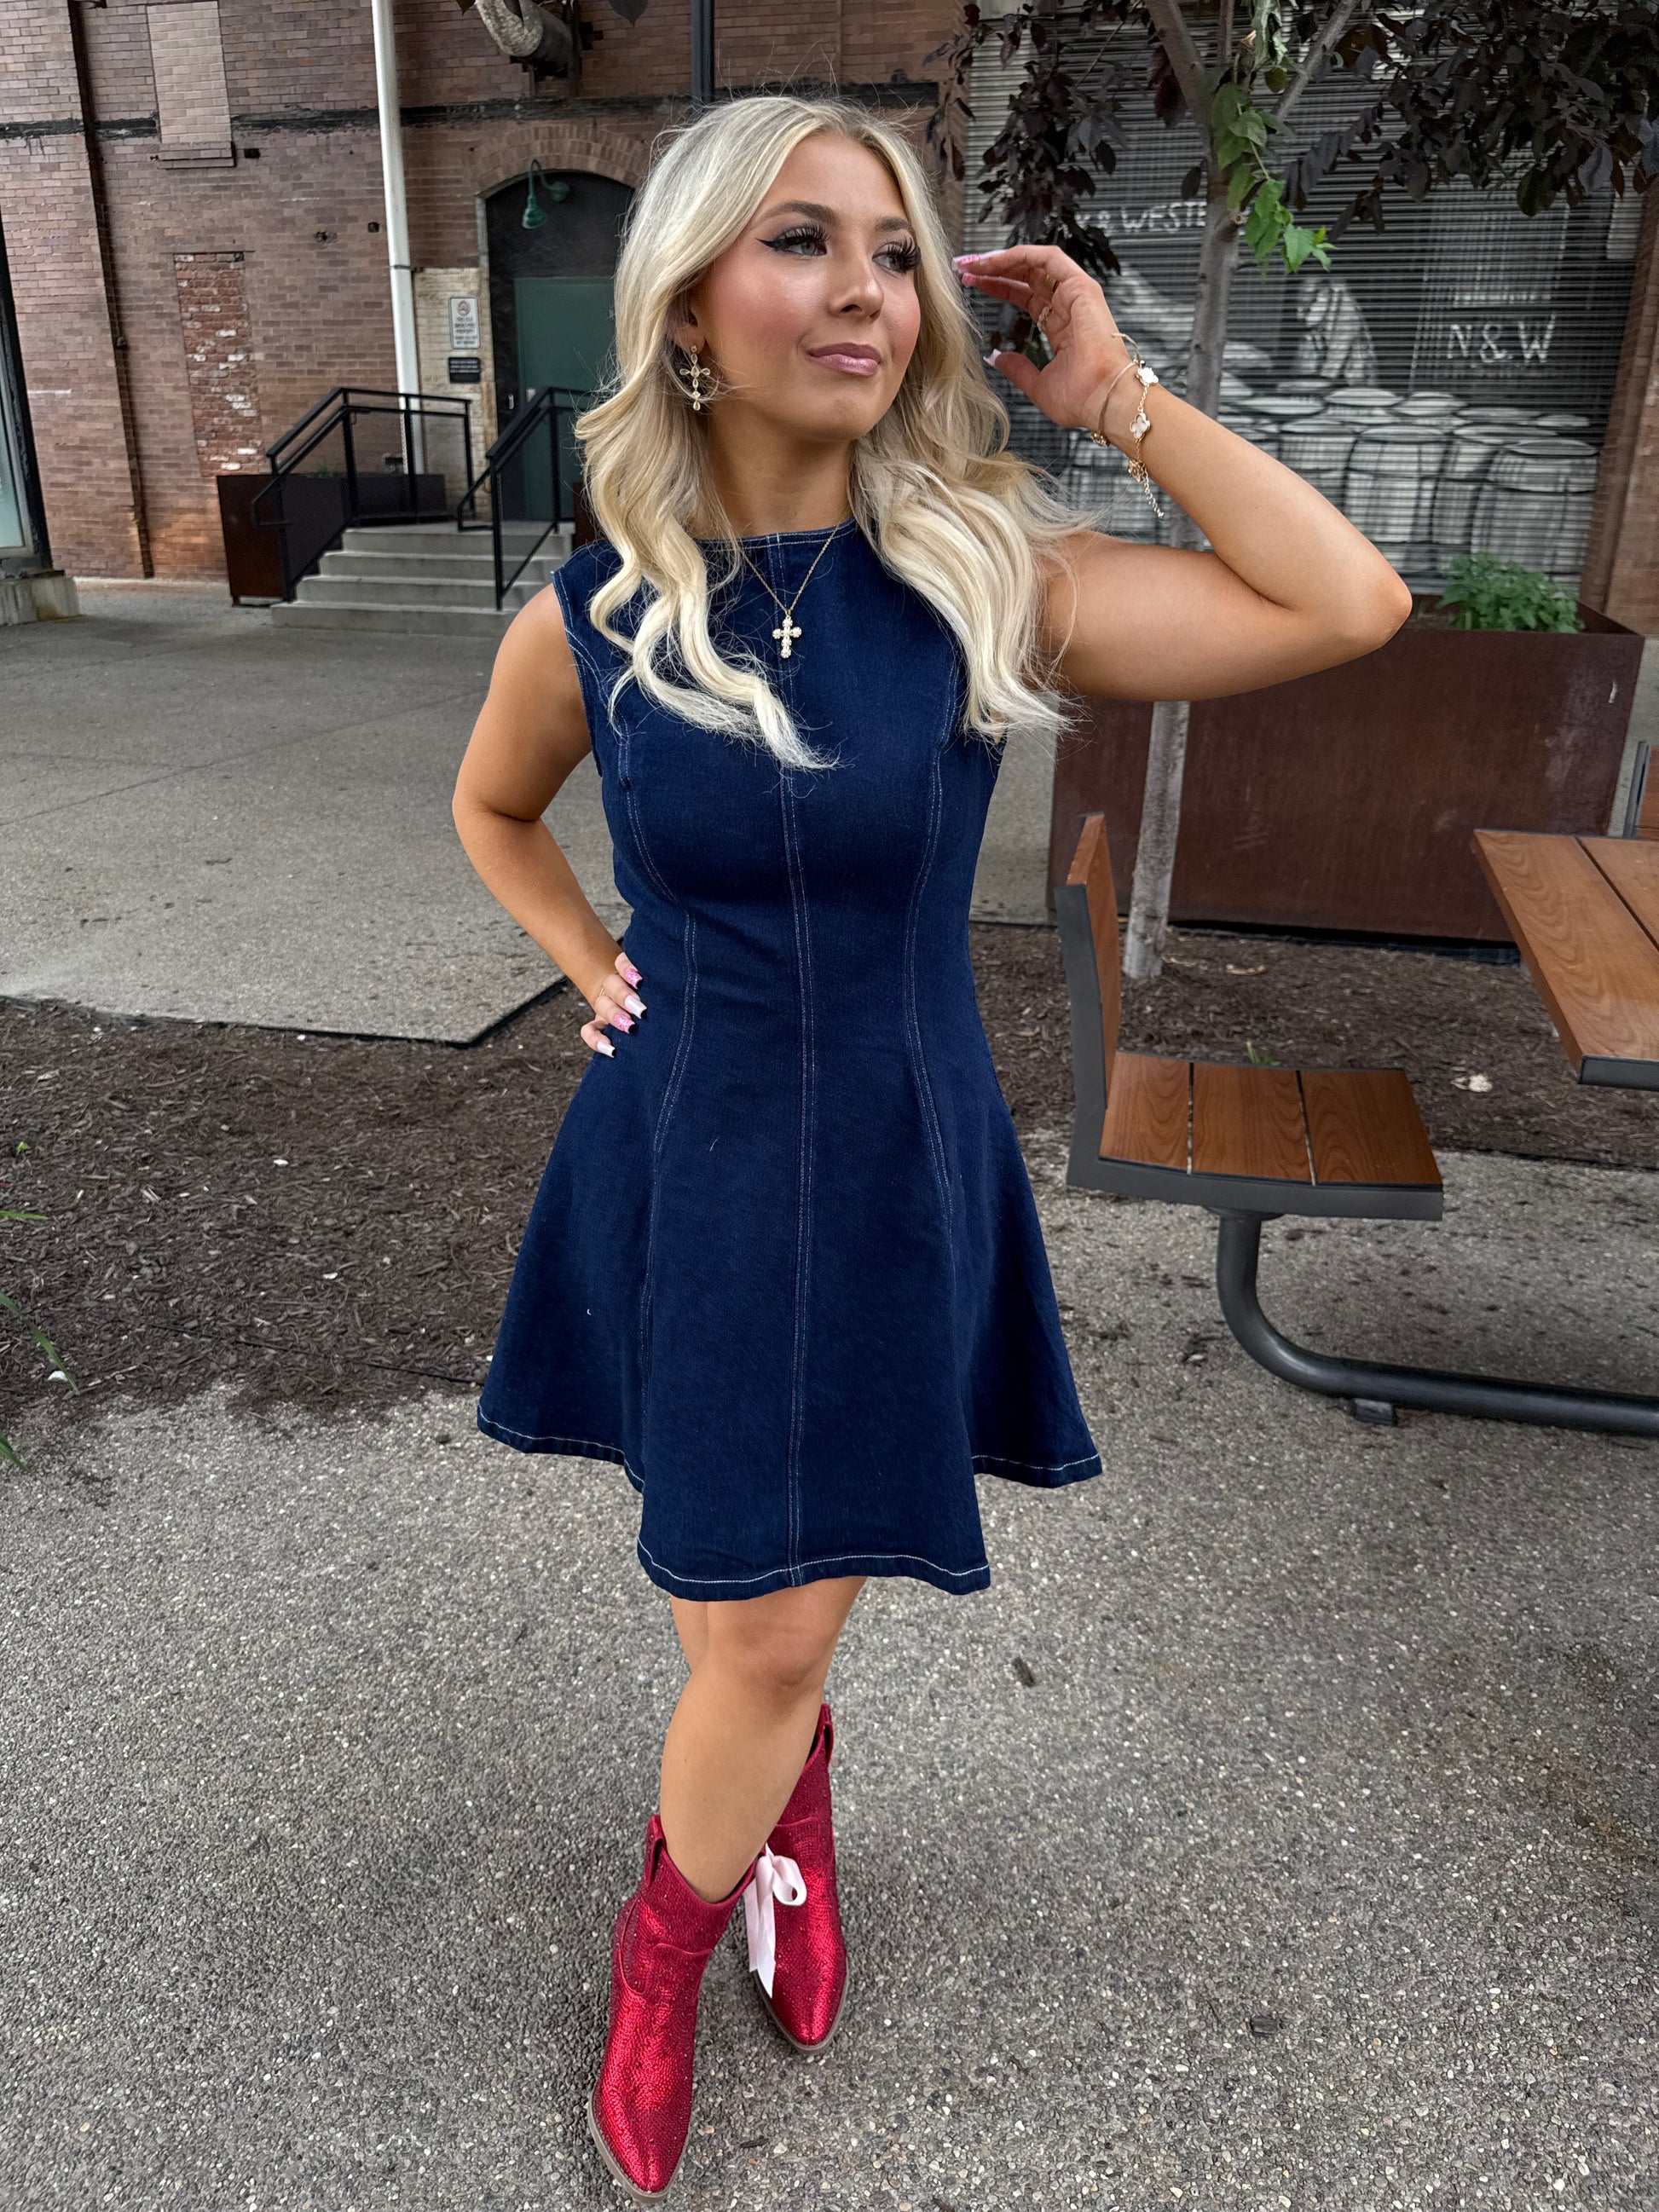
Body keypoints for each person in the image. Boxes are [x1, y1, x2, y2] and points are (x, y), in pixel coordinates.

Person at [450, 92, 1410, 2203]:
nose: (865, 291)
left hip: (892, 1151)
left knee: (770, 1628)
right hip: (684, 1147)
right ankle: (776, 1812)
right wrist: (586, 956)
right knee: (736, 1603)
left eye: (894, 254)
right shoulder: (596, 609)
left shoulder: (981, 580)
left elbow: (1347, 599)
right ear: (687, 305)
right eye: (803, 240)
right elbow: (490, 810)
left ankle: (658, 1946)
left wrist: (1117, 396)